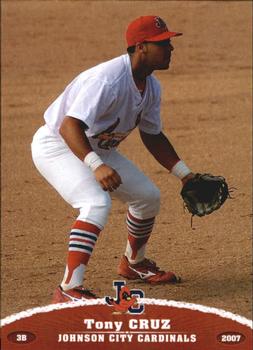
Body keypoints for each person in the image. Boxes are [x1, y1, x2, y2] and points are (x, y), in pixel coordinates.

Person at [31, 15, 194, 303]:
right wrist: (96, 165)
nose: (171, 48)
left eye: (168, 42)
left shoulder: (151, 86)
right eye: (163, 43)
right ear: (141, 46)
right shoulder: (107, 80)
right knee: (95, 202)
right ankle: (68, 290)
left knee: (147, 197)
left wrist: (185, 174)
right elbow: (69, 126)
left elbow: (152, 135)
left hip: (96, 147)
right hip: (58, 145)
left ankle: (133, 264)